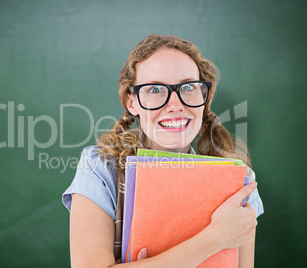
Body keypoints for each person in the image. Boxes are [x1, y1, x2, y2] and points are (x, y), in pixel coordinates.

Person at [62, 33, 264, 267]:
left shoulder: (239, 182)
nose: (175, 105)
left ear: (204, 96)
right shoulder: (100, 167)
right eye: (155, 89)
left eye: (188, 87)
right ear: (132, 102)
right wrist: (213, 239)